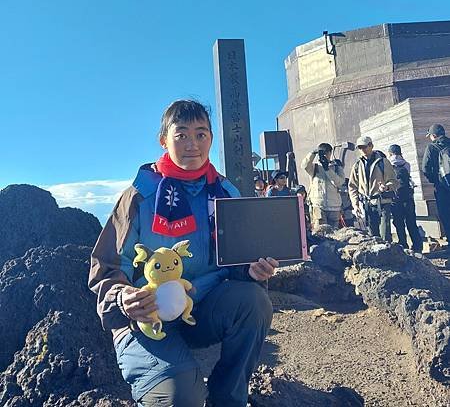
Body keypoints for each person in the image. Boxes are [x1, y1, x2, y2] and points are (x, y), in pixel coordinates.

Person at [89, 100, 277, 407]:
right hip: (144, 318)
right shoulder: (139, 196)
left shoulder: (224, 193)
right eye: (182, 135)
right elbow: (105, 266)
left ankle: (228, 399)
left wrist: (250, 271)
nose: (193, 144)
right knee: (181, 397)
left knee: (253, 302)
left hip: (199, 312)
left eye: (201, 134)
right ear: (164, 140)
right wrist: (122, 297)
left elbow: (232, 262)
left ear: (211, 139)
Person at [348, 136, 398, 241]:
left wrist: (386, 187)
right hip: (368, 204)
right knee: (373, 235)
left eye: (364, 147)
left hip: (383, 201)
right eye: (360, 148)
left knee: (385, 234)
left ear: (371, 146)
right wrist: (355, 204)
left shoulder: (383, 162)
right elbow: (352, 186)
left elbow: (394, 181)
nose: (362, 150)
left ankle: (387, 255)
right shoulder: (357, 165)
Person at [301, 143, 345, 230]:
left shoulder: (336, 167)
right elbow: (304, 166)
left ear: (330, 153)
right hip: (318, 206)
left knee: (334, 233)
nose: (325, 155)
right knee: (320, 231)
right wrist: (312, 153)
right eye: (322, 153)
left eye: (326, 152)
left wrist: (327, 169)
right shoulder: (315, 167)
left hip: (334, 207)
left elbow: (339, 182)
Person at [387, 144, 423, 253]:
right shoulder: (406, 164)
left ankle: (403, 245)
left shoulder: (388, 164)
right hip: (408, 198)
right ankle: (417, 246)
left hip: (396, 199)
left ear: (390, 153)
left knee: (399, 223)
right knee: (411, 222)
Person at [422, 123, 450, 240]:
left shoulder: (431, 147)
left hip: (442, 187)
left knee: (446, 215)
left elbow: (425, 168)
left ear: (434, 135)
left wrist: (435, 180)